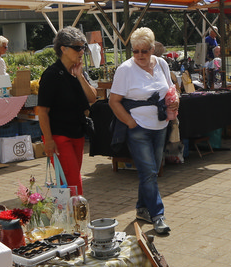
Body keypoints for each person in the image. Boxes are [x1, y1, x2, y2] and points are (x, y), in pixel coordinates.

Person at [109, 27, 177, 235]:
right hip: (138, 128)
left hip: (160, 125)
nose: (140, 55)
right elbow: (114, 101)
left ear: (152, 49)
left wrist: (175, 102)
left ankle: (141, 208)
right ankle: (158, 215)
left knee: (151, 171)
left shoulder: (162, 64)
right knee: (148, 172)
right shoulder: (125, 70)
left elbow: (171, 89)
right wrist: (131, 123)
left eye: (144, 51)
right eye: (136, 51)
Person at [36, 26, 97, 196]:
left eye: (83, 47)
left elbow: (92, 98)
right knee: (73, 182)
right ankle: (78, 210)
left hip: (77, 133)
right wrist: (48, 140)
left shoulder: (78, 72)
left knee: (70, 180)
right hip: (59, 136)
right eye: (77, 47)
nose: (82, 51)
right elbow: (42, 111)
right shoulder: (51, 75)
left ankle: (69, 211)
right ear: (63, 49)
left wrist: (80, 76)